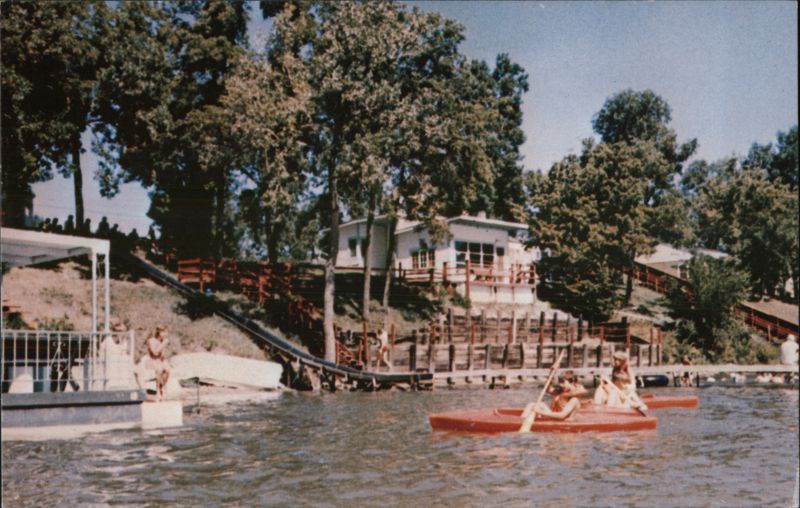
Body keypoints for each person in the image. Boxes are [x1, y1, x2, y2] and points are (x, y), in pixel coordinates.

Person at [139, 325, 171, 401]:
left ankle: (162, 387)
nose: (165, 334)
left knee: (167, 369)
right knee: (159, 369)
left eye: (166, 332)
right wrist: (163, 344)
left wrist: (164, 352)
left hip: (159, 360)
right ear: (159, 332)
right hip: (151, 360)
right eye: (163, 332)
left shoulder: (162, 341)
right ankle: (158, 391)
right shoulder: (151, 340)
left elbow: (162, 355)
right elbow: (154, 352)